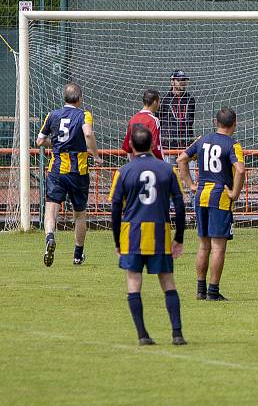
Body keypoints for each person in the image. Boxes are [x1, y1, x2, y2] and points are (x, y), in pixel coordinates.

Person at [110, 125, 187, 345]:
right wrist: (179, 238)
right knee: (168, 282)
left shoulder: (123, 171)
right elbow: (180, 206)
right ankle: (177, 333)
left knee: (134, 282)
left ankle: (143, 335)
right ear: (153, 144)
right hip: (159, 234)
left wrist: (117, 241)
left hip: (132, 234)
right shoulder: (167, 170)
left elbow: (115, 208)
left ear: (131, 146)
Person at [176, 107, 245, 302]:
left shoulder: (202, 140)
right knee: (218, 247)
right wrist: (234, 193)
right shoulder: (233, 144)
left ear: (216, 123)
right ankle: (213, 291)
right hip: (220, 199)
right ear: (235, 124)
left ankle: (200, 289)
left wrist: (190, 185)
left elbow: (181, 159)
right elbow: (240, 170)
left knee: (203, 246)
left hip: (201, 196)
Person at [36, 82, 103, 267]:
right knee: (80, 214)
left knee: (51, 209)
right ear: (79, 98)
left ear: (64, 98)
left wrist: (56, 143)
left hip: (57, 170)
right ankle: (77, 255)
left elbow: (40, 140)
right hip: (78, 172)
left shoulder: (52, 115)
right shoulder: (84, 115)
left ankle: (50, 236)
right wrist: (96, 155)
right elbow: (88, 134)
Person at [160, 70, 196, 164]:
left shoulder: (190, 99)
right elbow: (159, 120)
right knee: (169, 175)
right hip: (169, 146)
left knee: (190, 176)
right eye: (179, 80)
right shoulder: (164, 100)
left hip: (187, 146)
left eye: (184, 80)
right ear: (172, 81)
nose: (183, 82)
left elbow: (191, 121)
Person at [122, 89, 163, 161]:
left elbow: (128, 147)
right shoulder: (153, 120)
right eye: (159, 101)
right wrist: (160, 164)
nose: (159, 104)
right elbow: (154, 147)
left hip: (136, 162)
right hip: (151, 163)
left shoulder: (132, 119)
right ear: (154, 102)